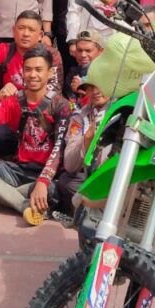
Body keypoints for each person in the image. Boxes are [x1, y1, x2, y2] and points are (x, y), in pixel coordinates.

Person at [0, 46, 71, 226]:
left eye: (38, 70)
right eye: (28, 69)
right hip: (18, 171)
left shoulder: (60, 105)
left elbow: (59, 147)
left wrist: (43, 181)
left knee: (54, 191)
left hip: (45, 175)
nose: (33, 75)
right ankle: (22, 204)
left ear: (50, 73)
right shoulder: (16, 99)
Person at [0, 10, 63, 99]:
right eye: (21, 28)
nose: (26, 34)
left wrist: (22, 97)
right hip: (8, 104)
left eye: (31, 30)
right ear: (14, 30)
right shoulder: (4, 50)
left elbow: (54, 89)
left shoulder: (51, 54)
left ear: (40, 35)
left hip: (39, 105)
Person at [58, 81, 110, 215]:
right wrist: (87, 138)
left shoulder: (123, 108)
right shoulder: (79, 117)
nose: (95, 91)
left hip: (115, 174)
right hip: (91, 177)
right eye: (90, 88)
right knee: (65, 181)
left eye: (99, 85)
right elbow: (70, 165)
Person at [65, 29, 104, 98]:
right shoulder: (73, 73)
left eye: (88, 51)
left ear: (100, 51)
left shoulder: (108, 73)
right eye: (79, 50)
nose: (83, 55)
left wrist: (83, 91)